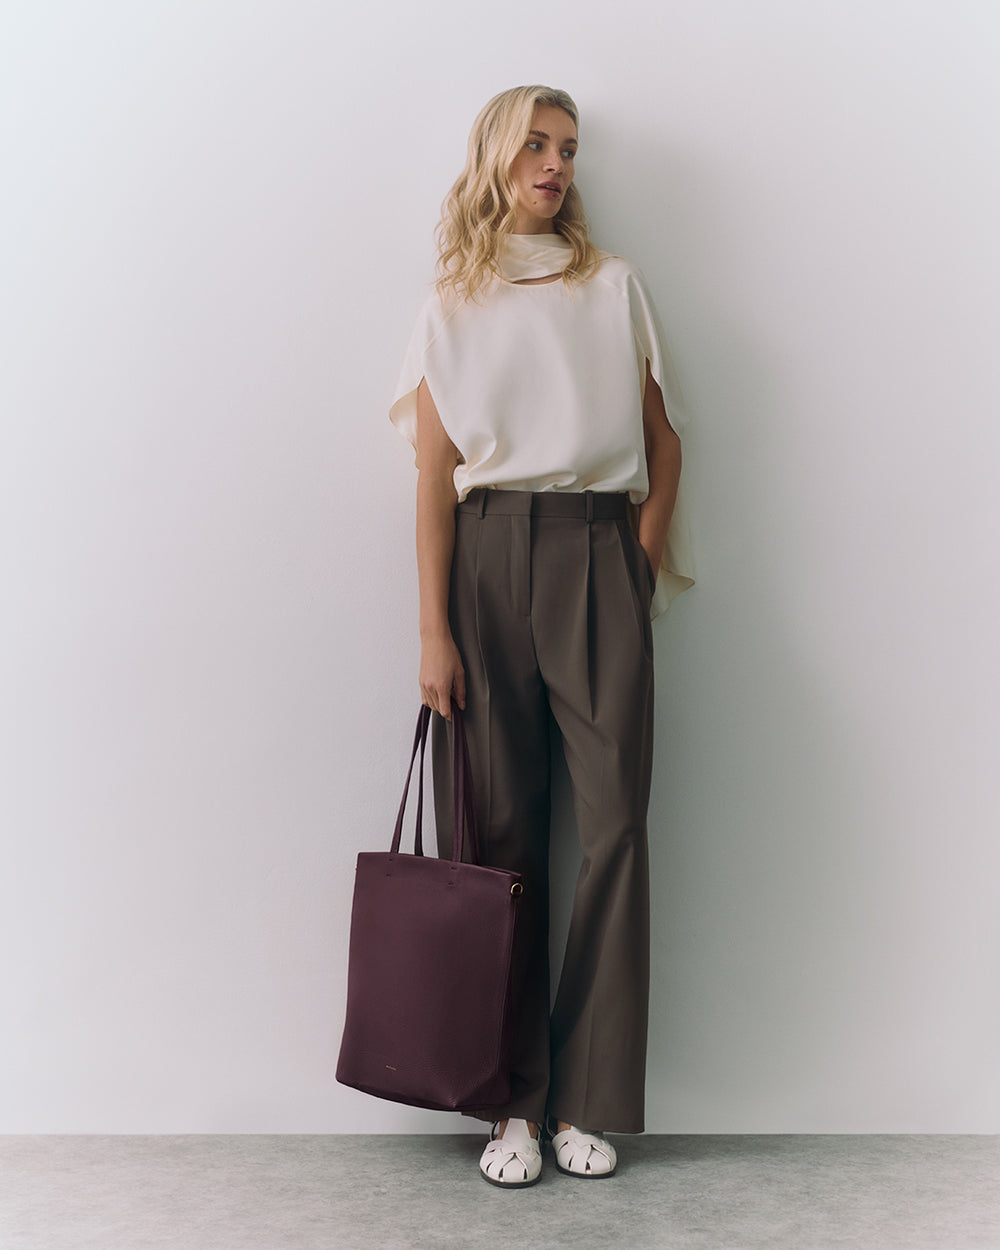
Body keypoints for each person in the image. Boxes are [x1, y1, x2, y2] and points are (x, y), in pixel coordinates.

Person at [388, 85, 694, 1186]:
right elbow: (431, 483)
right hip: (485, 555)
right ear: (496, 154)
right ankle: (511, 1104)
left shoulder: (611, 287)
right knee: (501, 838)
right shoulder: (450, 303)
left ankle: (588, 1099)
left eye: (568, 149)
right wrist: (434, 630)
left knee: (614, 826)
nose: (556, 163)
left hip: (594, 549)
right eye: (537, 142)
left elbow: (666, 447)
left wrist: (635, 565)